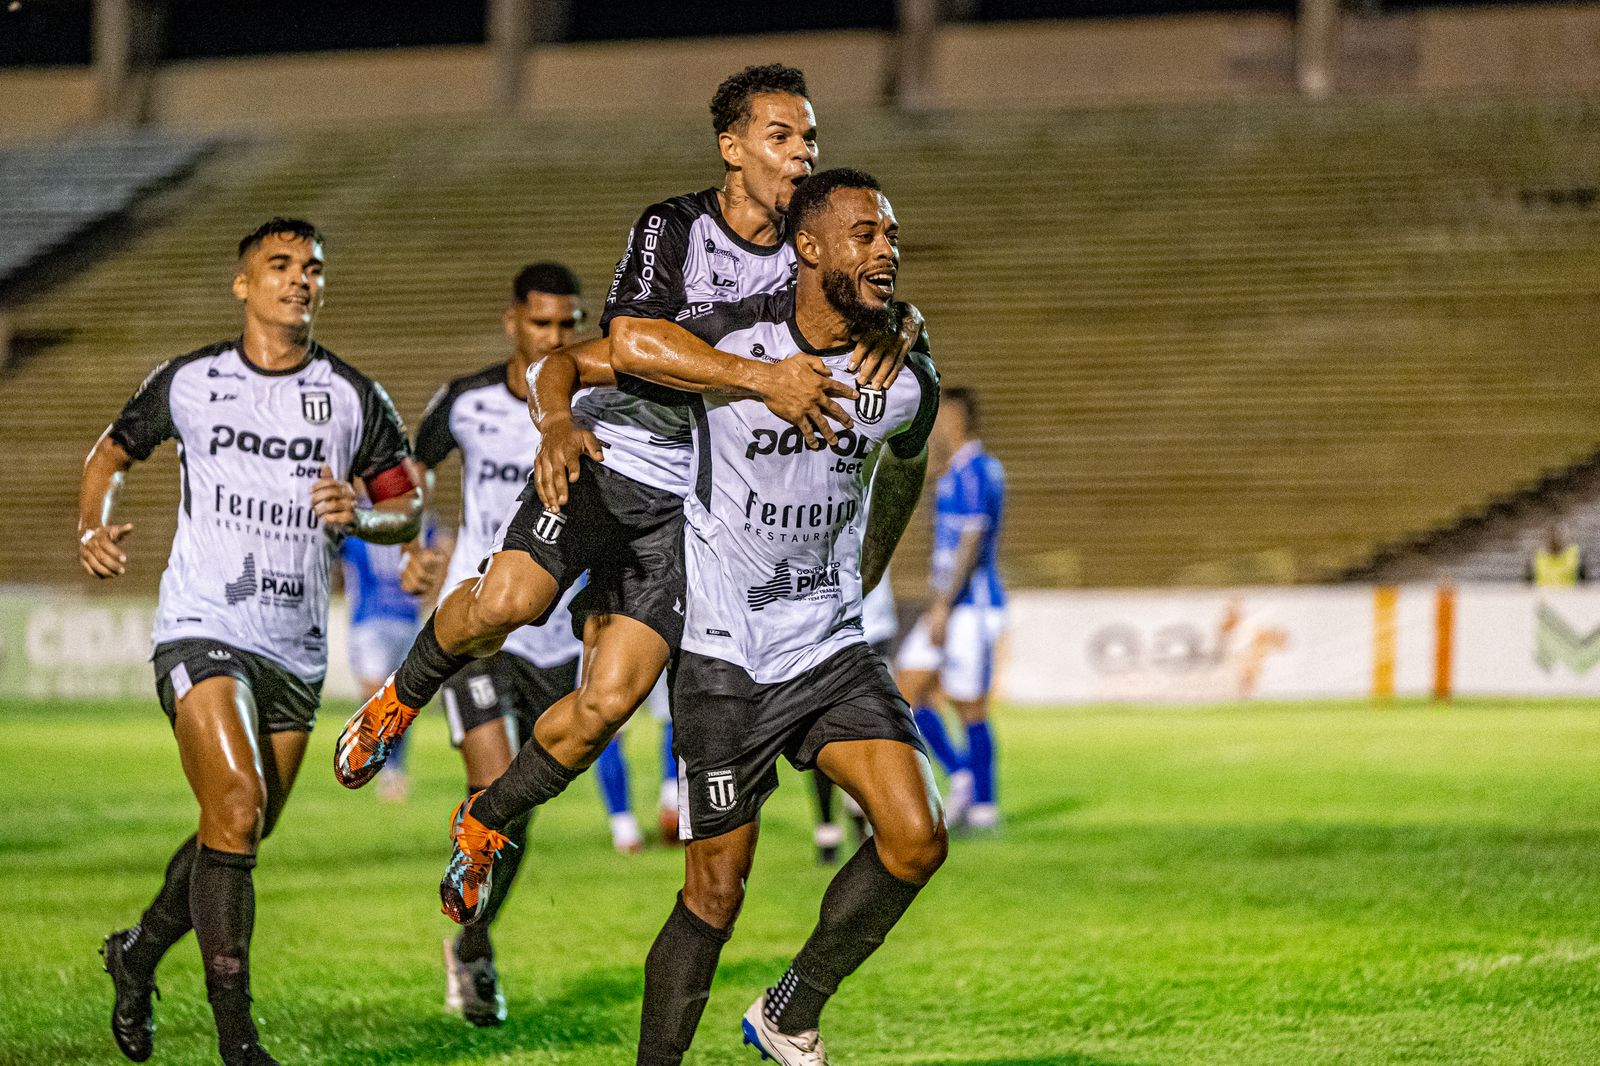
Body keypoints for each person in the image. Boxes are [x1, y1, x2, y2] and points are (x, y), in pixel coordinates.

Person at [337, 65, 920, 870]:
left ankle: (485, 818)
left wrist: (904, 322)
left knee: (607, 704)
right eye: (781, 136)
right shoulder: (676, 227)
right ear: (732, 147)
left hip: (693, 506)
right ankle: (399, 697)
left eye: (810, 138)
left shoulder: (810, 248)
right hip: (612, 458)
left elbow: (869, 304)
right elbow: (631, 340)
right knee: (506, 602)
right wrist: (750, 380)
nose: (802, 154)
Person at [83, 217, 420, 1066]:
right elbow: (110, 453)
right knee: (235, 805)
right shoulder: (193, 381)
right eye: (280, 265)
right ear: (244, 285)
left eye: (312, 268)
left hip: (295, 648)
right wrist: (93, 524)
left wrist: (366, 517)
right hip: (203, 624)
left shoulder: (354, 396)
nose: (300, 279)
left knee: (237, 829)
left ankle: (137, 954)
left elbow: (407, 504)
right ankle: (238, 1041)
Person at [401, 261, 608, 1025]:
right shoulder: (467, 399)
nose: (554, 336)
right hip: (480, 629)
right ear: (512, 320)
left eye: (567, 324)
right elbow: (410, 468)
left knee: (515, 813)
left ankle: (470, 940)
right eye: (541, 322)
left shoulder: (597, 404)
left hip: (558, 639)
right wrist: (412, 543)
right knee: (492, 787)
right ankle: (476, 949)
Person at [895, 387, 1006, 831]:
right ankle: (962, 777)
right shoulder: (954, 472)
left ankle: (984, 808)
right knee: (906, 689)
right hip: (949, 605)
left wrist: (942, 604)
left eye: (941, 415)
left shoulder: (978, 470)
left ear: (957, 418)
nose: (935, 423)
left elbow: (971, 541)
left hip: (972, 606)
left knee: (969, 705)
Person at [810, 572, 895, 863]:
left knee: (867, 740)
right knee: (819, 734)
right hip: (822, 641)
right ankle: (828, 828)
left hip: (869, 635)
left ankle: (859, 823)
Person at [341, 529, 427, 803]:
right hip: (373, 618)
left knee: (397, 698)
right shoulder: (360, 523)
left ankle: (390, 768)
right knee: (377, 697)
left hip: (397, 618)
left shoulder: (411, 520)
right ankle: (374, 763)